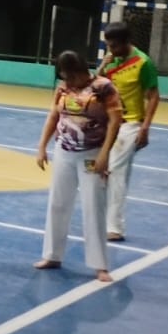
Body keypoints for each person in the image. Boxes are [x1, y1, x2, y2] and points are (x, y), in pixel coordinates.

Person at [33, 50, 122, 283]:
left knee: (93, 206)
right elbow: (53, 116)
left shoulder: (104, 88)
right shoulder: (63, 88)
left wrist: (104, 154)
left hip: (92, 154)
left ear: (81, 70)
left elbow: (115, 122)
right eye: (65, 77)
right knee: (58, 203)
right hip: (64, 152)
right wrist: (42, 146)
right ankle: (52, 255)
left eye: (71, 76)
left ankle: (99, 265)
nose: (68, 82)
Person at [97, 21, 160, 242]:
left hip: (131, 124)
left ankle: (114, 227)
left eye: (114, 46)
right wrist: (102, 67)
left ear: (126, 42)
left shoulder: (143, 63)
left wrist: (145, 127)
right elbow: (96, 87)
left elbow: (153, 96)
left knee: (115, 171)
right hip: (109, 122)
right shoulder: (111, 60)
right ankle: (103, 220)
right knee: (105, 171)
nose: (111, 50)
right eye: (108, 45)